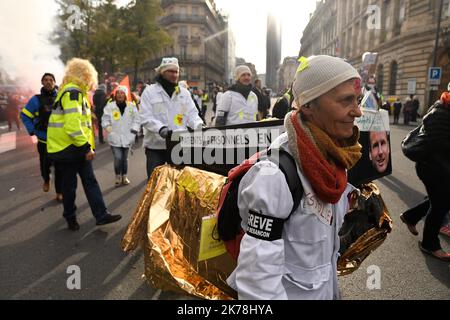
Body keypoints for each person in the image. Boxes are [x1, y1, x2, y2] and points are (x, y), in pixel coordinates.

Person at [227, 55, 363, 299]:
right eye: (346, 101)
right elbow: (257, 283)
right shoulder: (274, 176)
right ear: (308, 106)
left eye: (358, 100)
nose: (358, 111)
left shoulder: (337, 159)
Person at [47, 58, 122, 231]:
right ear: (86, 76)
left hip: (71, 147)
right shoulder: (73, 93)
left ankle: (100, 215)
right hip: (70, 148)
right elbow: (72, 126)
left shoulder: (71, 91)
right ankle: (72, 216)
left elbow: (77, 122)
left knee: (85, 182)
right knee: (74, 185)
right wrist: (86, 147)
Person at [400, 90, 450, 261]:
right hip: (433, 168)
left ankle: (410, 216)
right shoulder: (440, 114)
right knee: (440, 205)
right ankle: (430, 244)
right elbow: (441, 145)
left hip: (439, 167)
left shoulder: (444, 109)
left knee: (439, 200)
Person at [140, 57, 204, 180]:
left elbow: (192, 114)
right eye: (170, 71)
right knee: (155, 183)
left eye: (176, 72)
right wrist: (161, 129)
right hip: (156, 147)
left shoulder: (184, 93)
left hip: (178, 144)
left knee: (178, 182)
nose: (174, 75)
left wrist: (199, 125)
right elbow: (145, 116)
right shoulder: (149, 92)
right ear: (162, 73)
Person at [21, 73, 63, 201]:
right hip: (43, 139)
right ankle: (46, 179)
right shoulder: (36, 100)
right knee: (45, 165)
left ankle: (59, 192)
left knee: (60, 167)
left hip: (59, 140)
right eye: (46, 80)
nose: (48, 82)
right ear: (42, 83)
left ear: (55, 82)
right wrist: (32, 130)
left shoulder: (61, 97)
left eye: (51, 80)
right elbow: (25, 115)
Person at [102, 85, 140, 187]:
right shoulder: (110, 106)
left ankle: (124, 176)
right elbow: (105, 120)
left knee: (125, 159)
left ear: (125, 95)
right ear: (115, 95)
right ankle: (118, 176)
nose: (120, 95)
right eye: (118, 93)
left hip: (128, 137)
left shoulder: (131, 106)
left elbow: (137, 120)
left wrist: (133, 132)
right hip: (115, 138)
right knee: (118, 158)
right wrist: (110, 130)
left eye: (122, 93)